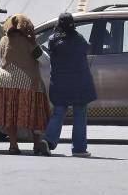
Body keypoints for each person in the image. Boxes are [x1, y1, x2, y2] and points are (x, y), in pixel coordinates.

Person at [0, 14, 50, 155]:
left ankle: (13, 146)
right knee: (35, 115)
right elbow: (45, 61)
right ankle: (37, 145)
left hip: (2, 82)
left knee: (10, 115)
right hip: (28, 83)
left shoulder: (3, 40)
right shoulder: (29, 43)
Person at [40, 13, 96, 158]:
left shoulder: (53, 41)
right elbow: (88, 48)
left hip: (59, 84)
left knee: (58, 113)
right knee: (79, 114)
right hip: (80, 84)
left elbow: (50, 46)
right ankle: (78, 149)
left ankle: (48, 140)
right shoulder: (78, 39)